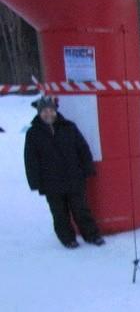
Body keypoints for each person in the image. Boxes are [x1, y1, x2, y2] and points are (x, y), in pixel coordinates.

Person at [24, 96, 105, 249]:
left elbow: (83, 149)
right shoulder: (33, 133)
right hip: (51, 182)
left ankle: (92, 235)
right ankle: (68, 239)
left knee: (81, 210)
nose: (48, 114)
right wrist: (34, 181)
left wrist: (87, 168)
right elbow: (30, 160)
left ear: (55, 111)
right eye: (44, 111)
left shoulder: (69, 127)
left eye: (51, 110)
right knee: (59, 213)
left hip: (74, 178)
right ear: (39, 113)